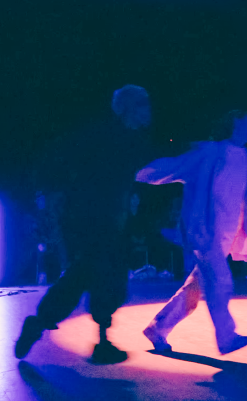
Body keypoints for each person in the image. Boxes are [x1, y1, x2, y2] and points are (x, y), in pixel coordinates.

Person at [138, 110, 247, 354]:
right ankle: (226, 337)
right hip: (205, 233)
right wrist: (137, 171)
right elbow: (173, 167)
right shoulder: (209, 154)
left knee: (195, 288)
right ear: (234, 124)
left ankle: (158, 328)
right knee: (221, 281)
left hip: (226, 236)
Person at [15, 85, 153, 364]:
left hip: (94, 221)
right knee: (106, 278)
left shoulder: (116, 137)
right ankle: (101, 343)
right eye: (143, 104)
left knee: (80, 278)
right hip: (100, 222)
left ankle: (41, 322)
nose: (149, 109)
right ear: (128, 107)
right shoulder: (115, 138)